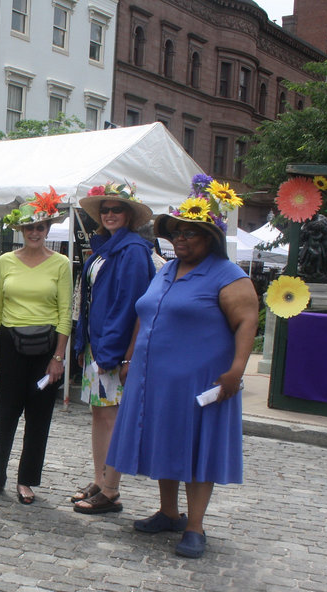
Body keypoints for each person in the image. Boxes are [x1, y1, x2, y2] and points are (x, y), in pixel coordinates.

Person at [106, 176, 257, 558]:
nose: (182, 240)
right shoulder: (167, 271)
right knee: (165, 441)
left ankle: (195, 526)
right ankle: (169, 512)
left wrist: (237, 370)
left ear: (212, 239)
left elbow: (246, 323)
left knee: (196, 448)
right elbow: (145, 313)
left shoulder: (229, 276)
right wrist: (129, 358)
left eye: (192, 234)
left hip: (200, 380)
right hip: (154, 377)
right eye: (177, 233)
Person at [0, 188, 72, 505]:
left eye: (40, 227)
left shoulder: (60, 264)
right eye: (29, 227)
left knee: (39, 415)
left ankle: (27, 479)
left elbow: (65, 314)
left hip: (46, 348)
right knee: (5, 413)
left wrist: (58, 357)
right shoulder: (6, 261)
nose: (35, 232)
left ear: (48, 230)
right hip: (9, 343)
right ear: (21, 230)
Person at [70, 183, 155, 514]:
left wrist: (114, 354)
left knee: (110, 417)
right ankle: (100, 479)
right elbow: (90, 300)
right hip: (97, 343)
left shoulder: (132, 250)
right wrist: (83, 343)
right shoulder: (106, 246)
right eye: (104, 210)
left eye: (116, 210)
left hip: (112, 347)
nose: (108, 215)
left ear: (129, 215)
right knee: (99, 414)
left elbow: (129, 305)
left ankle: (111, 489)